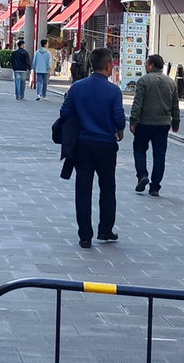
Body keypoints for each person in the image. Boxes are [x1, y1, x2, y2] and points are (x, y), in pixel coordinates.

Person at [57, 48, 126, 249]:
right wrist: (119, 131)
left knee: (83, 188)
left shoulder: (77, 88)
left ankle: (85, 235)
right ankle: (105, 228)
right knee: (107, 186)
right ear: (108, 66)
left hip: (82, 143)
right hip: (105, 144)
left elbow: (65, 111)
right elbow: (119, 118)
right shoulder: (114, 91)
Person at [130, 54, 181, 197]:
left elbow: (137, 103)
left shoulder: (143, 81)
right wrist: (175, 122)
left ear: (151, 65)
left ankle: (142, 175)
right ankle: (155, 187)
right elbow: (175, 105)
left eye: (146, 63)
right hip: (163, 124)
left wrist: (133, 121)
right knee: (159, 155)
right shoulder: (170, 82)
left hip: (145, 123)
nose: (145, 66)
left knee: (139, 150)